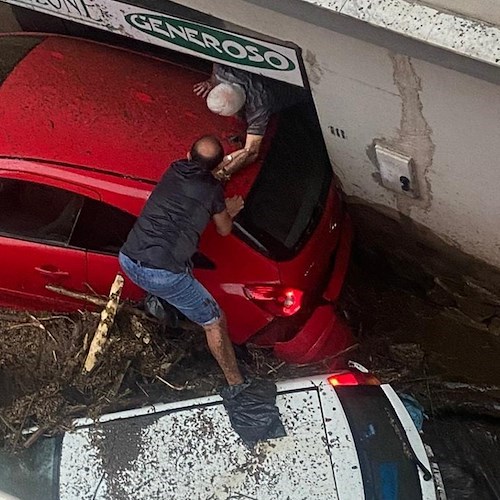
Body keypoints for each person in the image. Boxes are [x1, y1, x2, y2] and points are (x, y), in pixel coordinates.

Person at [119, 135, 244, 387]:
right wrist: (227, 210)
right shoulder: (212, 192)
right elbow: (224, 230)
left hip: (129, 259)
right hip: (164, 273)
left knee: (165, 287)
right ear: (218, 166)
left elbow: (194, 191)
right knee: (215, 322)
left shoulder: (174, 169)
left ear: (188, 155)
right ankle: (237, 385)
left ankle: (162, 306)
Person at [194, 63, 310, 180]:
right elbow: (216, 63)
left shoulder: (258, 106)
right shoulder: (222, 70)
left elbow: (251, 152)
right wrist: (211, 81)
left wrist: (222, 173)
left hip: (295, 87)